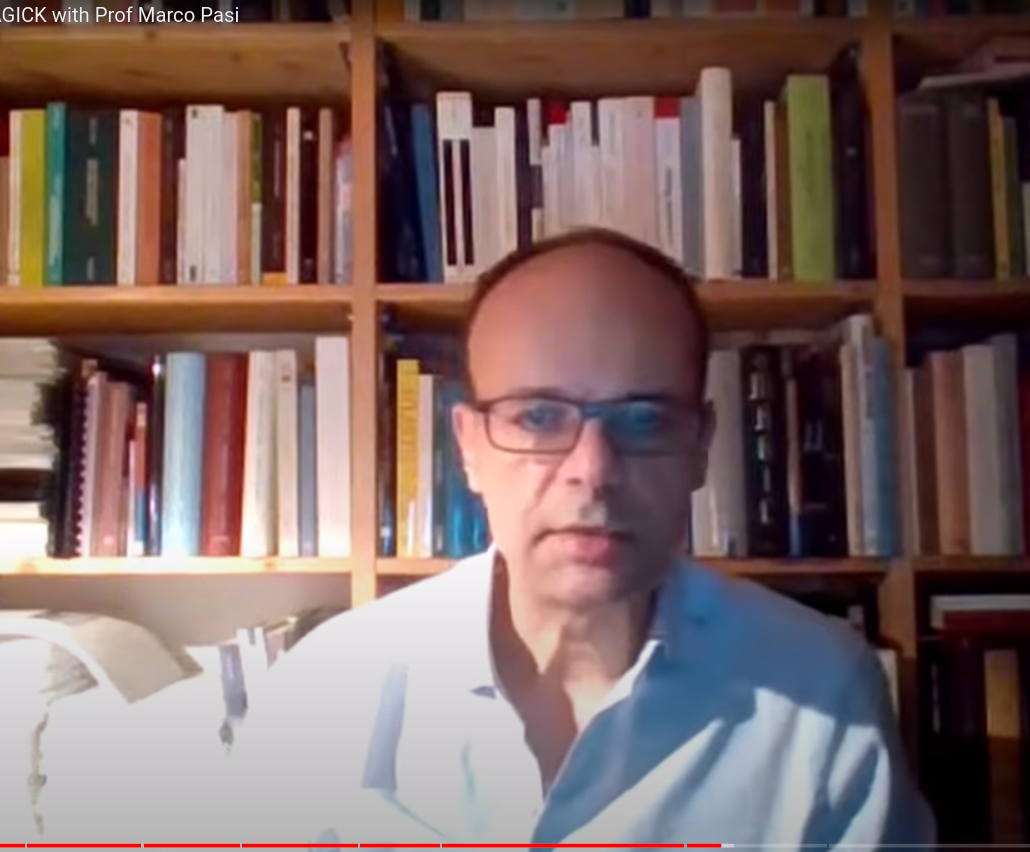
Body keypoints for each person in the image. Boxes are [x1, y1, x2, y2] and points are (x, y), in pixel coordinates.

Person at [229, 227, 936, 848]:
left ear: (699, 446)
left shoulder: (823, 690)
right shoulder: (326, 692)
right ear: (468, 447)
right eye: (537, 418)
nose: (593, 472)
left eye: (645, 420)